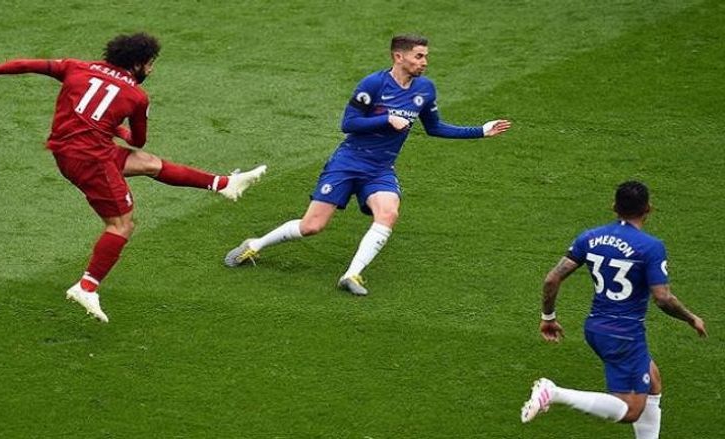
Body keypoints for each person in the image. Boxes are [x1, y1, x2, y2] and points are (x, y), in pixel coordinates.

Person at [0, 32, 266, 322]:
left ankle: (224, 184)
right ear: (137, 64)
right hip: (92, 161)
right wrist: (119, 130)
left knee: (149, 163)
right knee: (121, 225)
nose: (151, 70)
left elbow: (30, 64)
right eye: (150, 64)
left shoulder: (76, 66)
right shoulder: (137, 96)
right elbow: (137, 140)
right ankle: (87, 287)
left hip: (67, 150)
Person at [224, 34, 511, 295]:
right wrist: (386, 119)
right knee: (312, 226)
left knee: (388, 213)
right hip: (348, 162)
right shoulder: (373, 84)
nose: (425, 62)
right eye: (419, 56)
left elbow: (435, 127)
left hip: (380, 169)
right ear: (399, 56)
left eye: (426, 56)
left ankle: (351, 275)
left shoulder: (425, 89)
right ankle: (254, 245)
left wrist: (480, 131)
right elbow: (348, 124)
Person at [520, 181, 707, 438]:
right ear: (648, 209)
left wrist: (548, 317)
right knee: (630, 410)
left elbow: (552, 279)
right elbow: (663, 298)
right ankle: (554, 393)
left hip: (596, 327)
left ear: (614, 206)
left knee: (653, 380)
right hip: (624, 334)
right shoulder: (650, 247)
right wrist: (690, 318)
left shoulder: (590, 237)